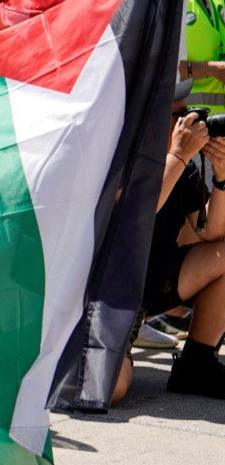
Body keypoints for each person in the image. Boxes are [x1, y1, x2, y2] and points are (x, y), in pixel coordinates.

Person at [113, 84, 225, 401]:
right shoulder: (119, 163)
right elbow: (131, 219)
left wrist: (222, 177)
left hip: (154, 285)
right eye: (181, 116)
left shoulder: (185, 169)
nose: (191, 125)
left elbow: (212, 236)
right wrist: (178, 154)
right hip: (112, 296)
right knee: (113, 389)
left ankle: (197, 364)